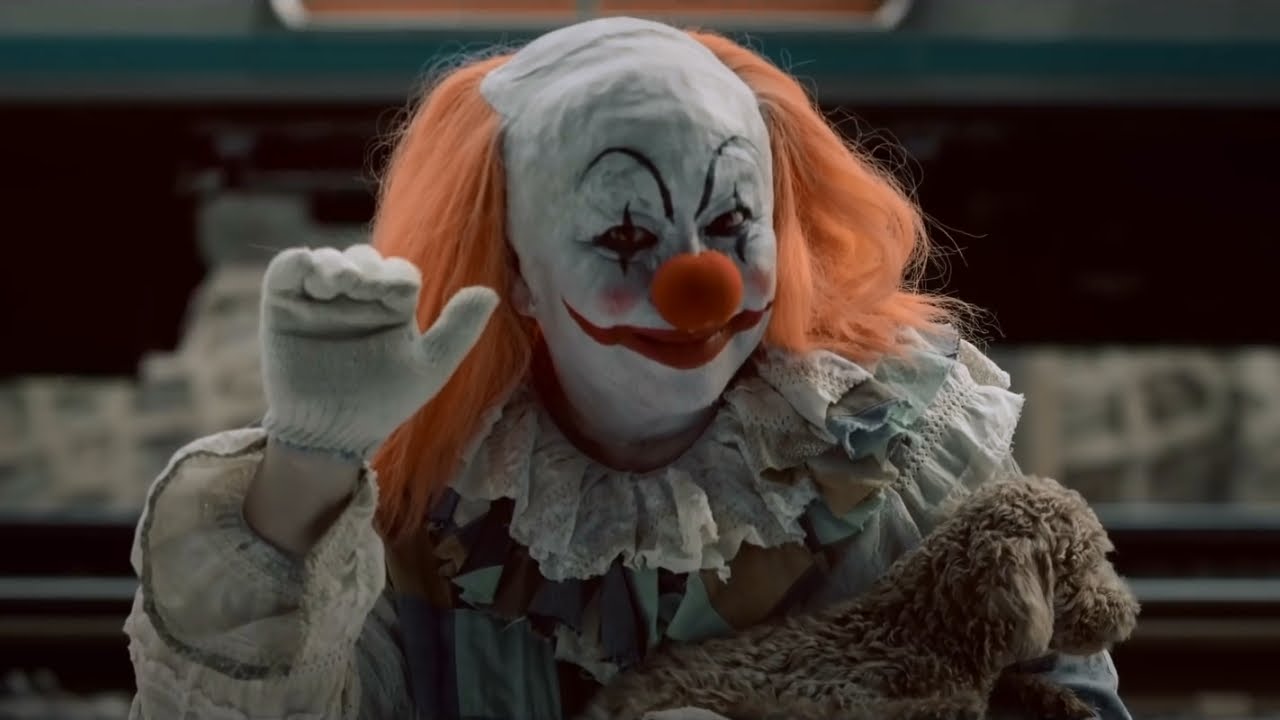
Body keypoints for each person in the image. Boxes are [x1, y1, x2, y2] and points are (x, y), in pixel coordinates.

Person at [124, 16, 1133, 720]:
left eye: (731, 221)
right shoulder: (421, 516)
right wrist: (308, 463)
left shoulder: (909, 462)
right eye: (620, 233)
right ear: (515, 271)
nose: (697, 282)